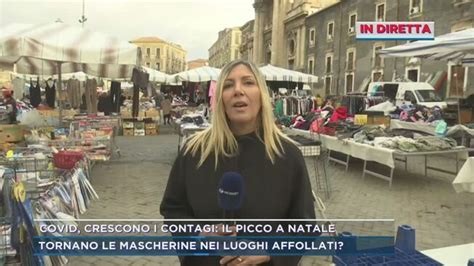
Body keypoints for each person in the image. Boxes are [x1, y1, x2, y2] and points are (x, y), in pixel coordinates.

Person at [160, 60, 316, 266]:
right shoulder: (193, 152)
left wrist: (270, 252)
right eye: (228, 85)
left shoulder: (288, 155)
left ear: (261, 94)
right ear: (220, 99)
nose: (238, 91)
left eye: (248, 83)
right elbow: (173, 210)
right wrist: (198, 233)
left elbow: (304, 228)